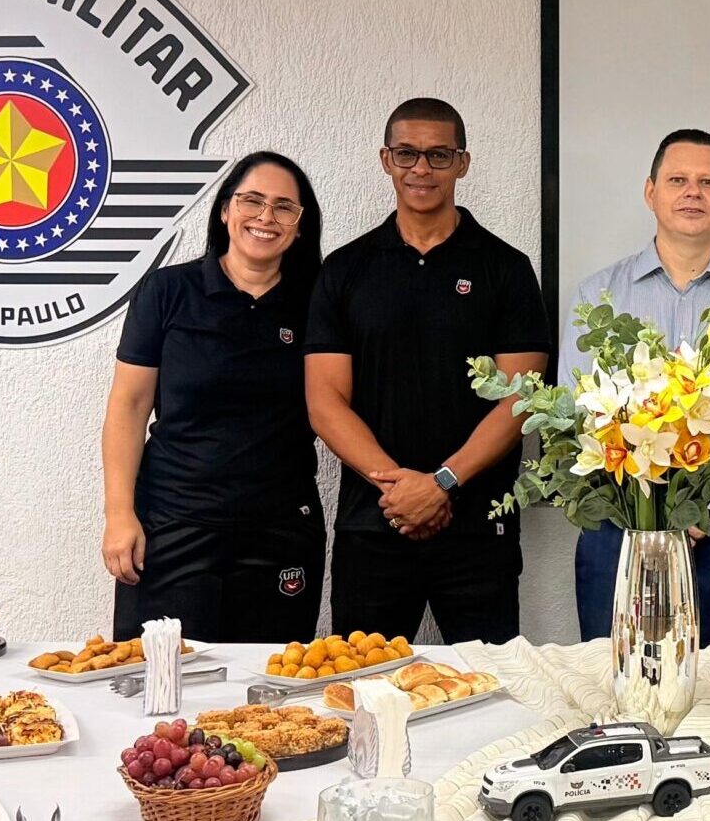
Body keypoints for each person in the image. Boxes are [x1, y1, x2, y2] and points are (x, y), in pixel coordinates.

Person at [306, 97, 550, 644]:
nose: (421, 168)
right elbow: (324, 402)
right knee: (365, 696)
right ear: (385, 160)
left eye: (439, 155)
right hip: (374, 525)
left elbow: (521, 398)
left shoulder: (505, 269)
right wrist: (402, 491)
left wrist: (441, 483)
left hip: (477, 531)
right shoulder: (344, 270)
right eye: (407, 153)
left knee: (490, 696)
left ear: (462, 163)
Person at [564, 128, 710, 644]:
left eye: (708, 182)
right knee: (619, 699)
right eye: (678, 180)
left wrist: (697, 514)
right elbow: (579, 424)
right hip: (621, 536)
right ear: (651, 192)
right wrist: (652, 518)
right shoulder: (596, 297)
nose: (692, 192)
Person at [100, 151, 327, 642]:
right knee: (159, 686)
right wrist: (120, 514)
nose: (266, 217)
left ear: (301, 226)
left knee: (267, 703)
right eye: (252, 201)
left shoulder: (318, 304)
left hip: (280, 533)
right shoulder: (167, 292)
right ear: (225, 209)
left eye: (285, 207)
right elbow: (129, 407)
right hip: (174, 525)